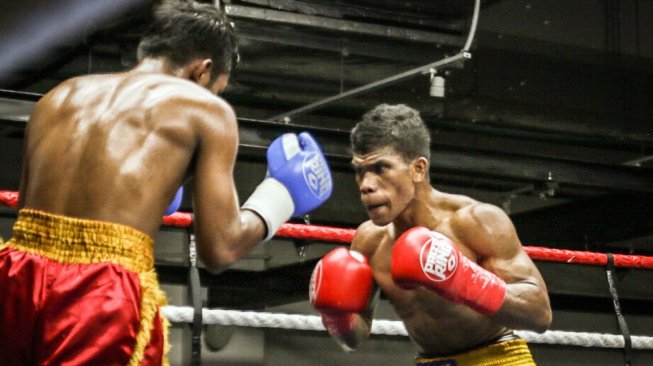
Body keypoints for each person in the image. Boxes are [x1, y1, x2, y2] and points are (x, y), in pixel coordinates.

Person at [0, 1, 332, 365]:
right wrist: (279, 198)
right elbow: (219, 250)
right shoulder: (205, 110)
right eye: (216, 89)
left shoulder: (59, 96)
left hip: (16, 277)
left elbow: (35, 209)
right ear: (203, 71)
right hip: (99, 294)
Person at [309, 104, 550, 365]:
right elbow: (354, 339)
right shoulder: (369, 241)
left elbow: (539, 314)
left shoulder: (476, 221)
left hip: (498, 359)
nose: (366, 185)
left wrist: (461, 278)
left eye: (380, 168)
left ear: (418, 169)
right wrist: (337, 317)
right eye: (359, 171)